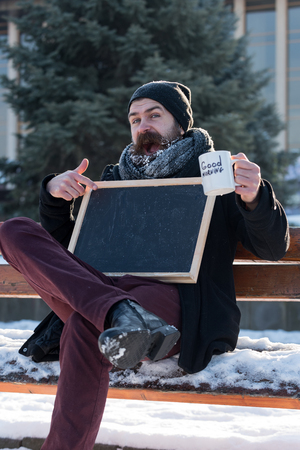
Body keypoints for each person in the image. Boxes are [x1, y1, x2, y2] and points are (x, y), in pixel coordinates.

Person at [0, 81, 289, 450]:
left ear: (181, 123)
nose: (143, 125)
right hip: (105, 294)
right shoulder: (113, 181)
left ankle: (119, 314)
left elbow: (271, 247)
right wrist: (56, 199)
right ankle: (119, 312)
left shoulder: (218, 178)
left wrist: (253, 196)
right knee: (13, 230)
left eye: (155, 115)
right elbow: (67, 258)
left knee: (84, 326)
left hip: (172, 308)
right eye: (135, 118)